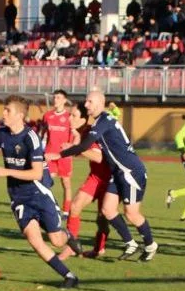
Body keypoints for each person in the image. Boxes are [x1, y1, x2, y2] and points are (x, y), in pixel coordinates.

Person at [0, 95, 80, 288]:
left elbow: (37, 173)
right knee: (35, 241)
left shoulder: (31, 138)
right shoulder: (2, 134)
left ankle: (68, 236)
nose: (3, 113)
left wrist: (6, 171)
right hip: (19, 198)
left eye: (8, 110)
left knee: (56, 240)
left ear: (20, 115)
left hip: (39, 194)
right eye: (4, 109)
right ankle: (69, 276)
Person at [50, 88, 157, 262]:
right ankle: (130, 243)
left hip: (130, 171)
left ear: (100, 103)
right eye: (86, 101)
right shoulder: (101, 120)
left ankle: (151, 245)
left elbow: (87, 148)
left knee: (131, 214)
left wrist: (62, 154)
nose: (86, 104)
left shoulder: (103, 121)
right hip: (117, 172)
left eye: (89, 102)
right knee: (107, 210)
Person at [64, 104, 112, 257]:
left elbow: (98, 157)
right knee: (75, 206)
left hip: (110, 179)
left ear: (83, 119)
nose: (69, 118)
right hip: (95, 177)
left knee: (102, 219)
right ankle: (71, 245)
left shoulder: (91, 131)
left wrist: (75, 147)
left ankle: (99, 249)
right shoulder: (80, 132)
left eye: (73, 116)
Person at [41, 90, 77, 214]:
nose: (55, 99)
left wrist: (71, 147)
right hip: (49, 154)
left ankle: (66, 211)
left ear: (64, 100)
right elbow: (43, 132)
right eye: (55, 97)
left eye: (58, 97)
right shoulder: (47, 116)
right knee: (46, 183)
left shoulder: (69, 117)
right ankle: (53, 207)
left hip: (64, 155)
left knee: (66, 183)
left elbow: (75, 135)